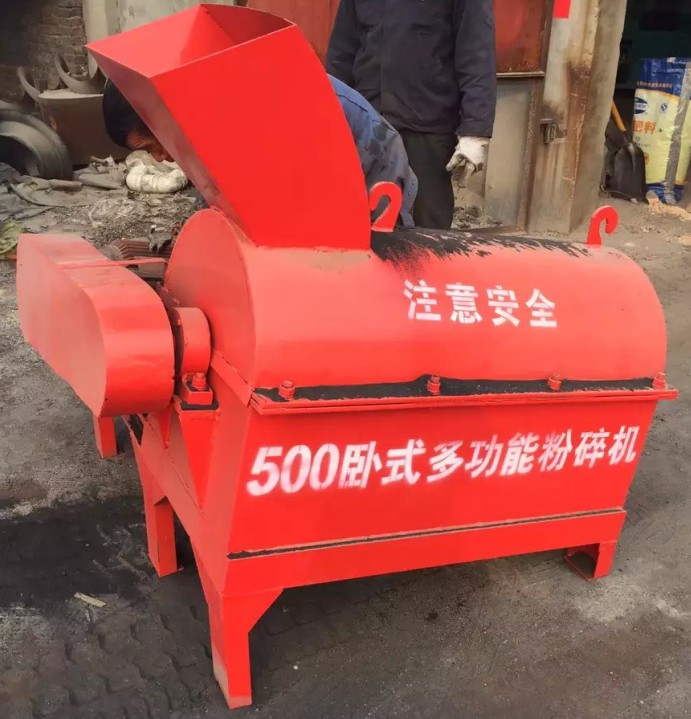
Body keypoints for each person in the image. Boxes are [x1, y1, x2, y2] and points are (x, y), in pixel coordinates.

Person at [102, 76, 418, 228]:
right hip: (310, 152)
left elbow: (283, 199)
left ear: (158, 117)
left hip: (368, 150)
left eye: (151, 146)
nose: (159, 158)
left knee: (384, 262)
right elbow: (217, 189)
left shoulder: (236, 111)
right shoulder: (189, 116)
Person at [327, 0, 497, 230]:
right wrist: (330, 112)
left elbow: (476, 48)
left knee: (427, 231)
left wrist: (475, 131)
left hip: (427, 128)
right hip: (370, 126)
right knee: (364, 226)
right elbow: (343, 49)